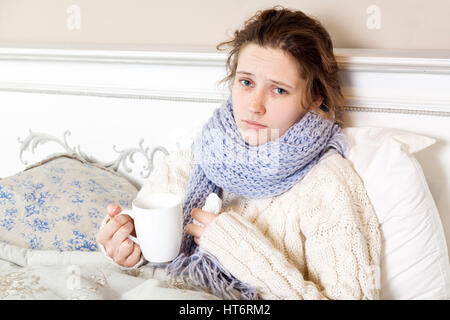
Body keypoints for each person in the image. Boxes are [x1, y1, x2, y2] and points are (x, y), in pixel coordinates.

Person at [97, 5, 381, 300]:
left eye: (279, 90)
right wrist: (124, 245)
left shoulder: (327, 184)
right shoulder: (200, 153)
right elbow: (146, 253)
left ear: (313, 100)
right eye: (246, 82)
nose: (254, 105)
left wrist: (239, 249)